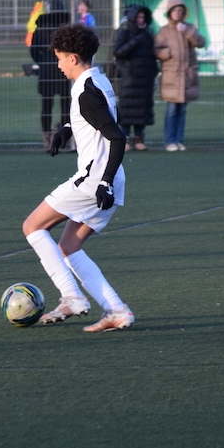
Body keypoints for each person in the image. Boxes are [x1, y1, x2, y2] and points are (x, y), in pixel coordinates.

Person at [22, 23, 134, 332]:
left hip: (95, 179)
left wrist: (104, 182)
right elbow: (102, 116)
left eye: (59, 58)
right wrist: (66, 130)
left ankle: (72, 297)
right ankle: (117, 311)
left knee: (32, 226)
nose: (58, 65)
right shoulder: (97, 79)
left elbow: (117, 136)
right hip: (110, 178)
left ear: (72, 58)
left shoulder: (84, 90)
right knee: (69, 246)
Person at [154, 0, 206, 151]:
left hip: (187, 76)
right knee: (171, 110)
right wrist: (169, 53)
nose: (177, 13)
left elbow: (201, 42)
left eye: (180, 11)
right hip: (171, 77)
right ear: (169, 13)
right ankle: (169, 141)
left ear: (184, 13)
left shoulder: (189, 28)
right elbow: (156, 50)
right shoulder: (164, 31)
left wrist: (188, 32)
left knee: (182, 110)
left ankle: (179, 140)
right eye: (175, 10)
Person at [113, 4, 157, 150]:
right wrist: (135, 41)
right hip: (129, 78)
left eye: (143, 17)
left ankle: (139, 139)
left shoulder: (149, 34)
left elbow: (152, 56)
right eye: (138, 17)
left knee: (142, 110)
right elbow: (118, 52)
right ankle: (125, 139)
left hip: (145, 79)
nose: (141, 20)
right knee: (126, 109)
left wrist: (153, 73)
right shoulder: (125, 33)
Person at [30, 0, 72, 150]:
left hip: (46, 70)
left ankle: (46, 138)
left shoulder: (40, 27)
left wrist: (42, 62)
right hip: (65, 69)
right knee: (66, 106)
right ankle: (65, 139)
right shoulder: (67, 27)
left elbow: (34, 50)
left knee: (46, 105)